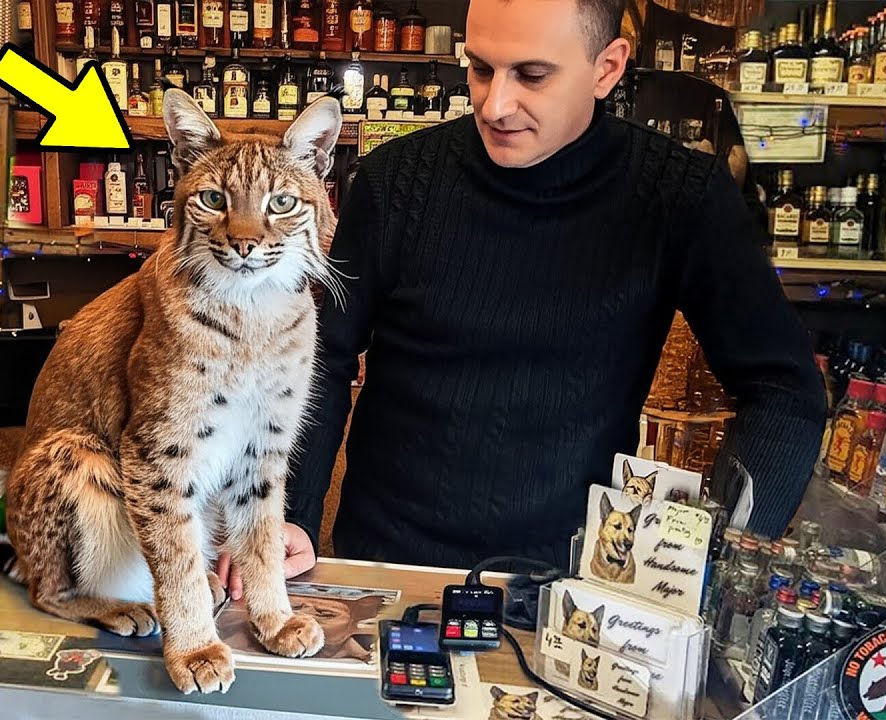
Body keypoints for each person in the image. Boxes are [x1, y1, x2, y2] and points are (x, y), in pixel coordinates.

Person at [219, 0, 826, 599]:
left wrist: (726, 553)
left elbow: (783, 389)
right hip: (386, 562)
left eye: (531, 75)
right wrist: (284, 515)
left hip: (570, 582)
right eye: (480, 69)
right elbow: (321, 357)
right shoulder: (396, 180)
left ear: (607, 68)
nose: (495, 103)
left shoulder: (679, 196)